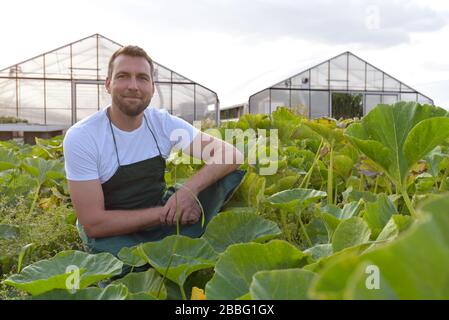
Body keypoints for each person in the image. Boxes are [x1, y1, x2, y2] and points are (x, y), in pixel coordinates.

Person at [63, 45, 245, 258]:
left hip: (161, 213)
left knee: (226, 175)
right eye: (123, 76)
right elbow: (94, 223)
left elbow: (232, 155)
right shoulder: (83, 136)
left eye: (142, 78)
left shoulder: (162, 123)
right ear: (108, 84)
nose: (133, 86)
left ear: (152, 87)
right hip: (114, 231)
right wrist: (166, 213)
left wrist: (187, 191)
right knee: (127, 270)